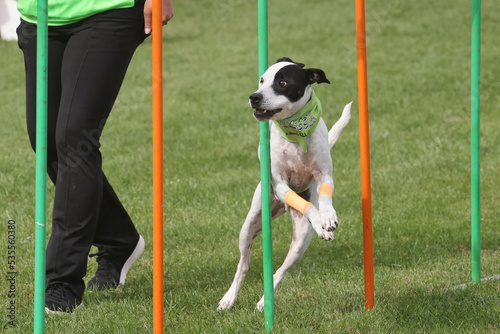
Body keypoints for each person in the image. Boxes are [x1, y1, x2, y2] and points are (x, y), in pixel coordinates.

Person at [16, 0, 173, 314]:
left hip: (108, 9)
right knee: (45, 142)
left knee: (75, 139)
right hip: (40, 14)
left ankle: (62, 283)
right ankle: (118, 240)